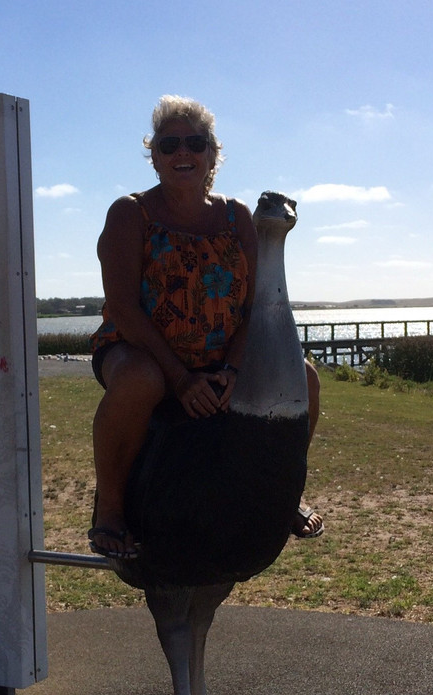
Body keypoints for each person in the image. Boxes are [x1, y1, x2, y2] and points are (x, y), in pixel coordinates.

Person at [88, 95, 323, 559]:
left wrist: (232, 369)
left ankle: (286, 488)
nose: (183, 152)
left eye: (195, 143)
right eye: (169, 144)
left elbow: (254, 303)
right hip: (140, 349)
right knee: (139, 380)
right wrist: (179, 378)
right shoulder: (130, 214)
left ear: (212, 155)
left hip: (221, 353)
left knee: (305, 380)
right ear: (154, 156)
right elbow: (124, 308)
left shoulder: (236, 217)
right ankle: (110, 508)